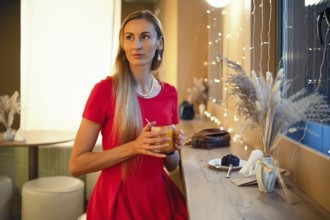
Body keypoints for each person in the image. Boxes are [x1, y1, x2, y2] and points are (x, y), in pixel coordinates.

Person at [69, 10, 188, 220]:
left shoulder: (170, 93)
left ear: (159, 43)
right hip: (117, 198)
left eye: (145, 36)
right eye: (130, 37)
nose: (137, 45)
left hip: (157, 196)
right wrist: (135, 147)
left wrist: (172, 148)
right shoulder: (105, 91)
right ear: (123, 45)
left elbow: (171, 166)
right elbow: (76, 165)